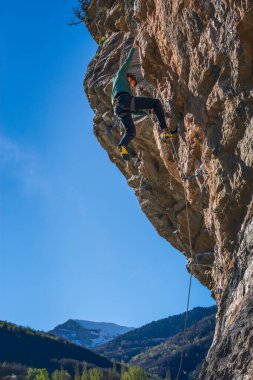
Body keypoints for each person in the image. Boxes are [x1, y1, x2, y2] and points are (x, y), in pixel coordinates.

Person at [111, 39, 178, 160]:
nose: (132, 85)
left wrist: (147, 111)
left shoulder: (115, 90)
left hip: (119, 109)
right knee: (156, 102)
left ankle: (122, 145)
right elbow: (127, 62)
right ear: (128, 77)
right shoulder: (121, 75)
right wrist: (134, 48)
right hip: (124, 100)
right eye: (132, 82)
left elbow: (133, 110)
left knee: (131, 132)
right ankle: (165, 131)